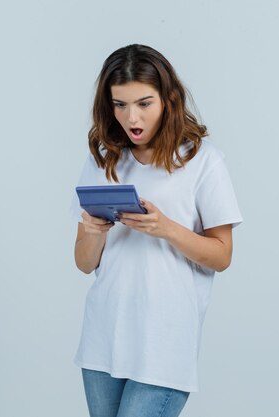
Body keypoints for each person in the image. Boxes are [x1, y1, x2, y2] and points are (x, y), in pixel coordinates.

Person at [69, 44, 244, 417]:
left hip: (163, 345)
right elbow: (84, 263)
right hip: (103, 339)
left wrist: (166, 228)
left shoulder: (202, 161)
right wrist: (94, 230)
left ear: (168, 99)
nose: (131, 116)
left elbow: (222, 255)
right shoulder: (103, 158)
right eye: (119, 105)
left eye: (144, 103)